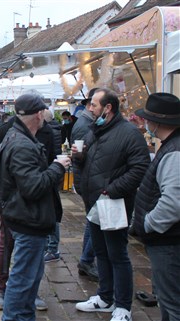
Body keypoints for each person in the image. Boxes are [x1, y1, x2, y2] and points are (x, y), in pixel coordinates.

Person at [0, 93, 69, 321]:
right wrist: (57, 167)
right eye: (44, 111)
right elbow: (33, 187)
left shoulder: (18, 136)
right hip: (28, 220)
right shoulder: (22, 143)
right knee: (23, 279)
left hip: (27, 218)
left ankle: (23, 316)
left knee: (29, 277)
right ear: (38, 114)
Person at [74, 89, 150, 321]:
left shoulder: (129, 133)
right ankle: (104, 298)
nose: (90, 108)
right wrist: (78, 164)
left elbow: (140, 167)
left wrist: (112, 189)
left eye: (94, 104)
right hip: (93, 203)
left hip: (114, 203)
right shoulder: (94, 130)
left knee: (117, 254)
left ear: (108, 108)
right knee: (100, 251)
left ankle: (123, 306)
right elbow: (86, 160)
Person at [129, 93, 180, 321]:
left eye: (148, 119)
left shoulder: (174, 152)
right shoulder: (171, 147)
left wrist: (147, 224)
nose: (146, 124)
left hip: (168, 241)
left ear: (157, 122)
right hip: (166, 239)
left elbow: (173, 203)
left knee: (172, 302)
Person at [71, 88, 100, 281]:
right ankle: (87, 259)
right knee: (94, 219)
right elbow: (80, 156)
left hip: (89, 178)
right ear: (90, 105)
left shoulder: (88, 123)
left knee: (93, 218)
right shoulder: (84, 125)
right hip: (87, 179)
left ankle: (86, 259)